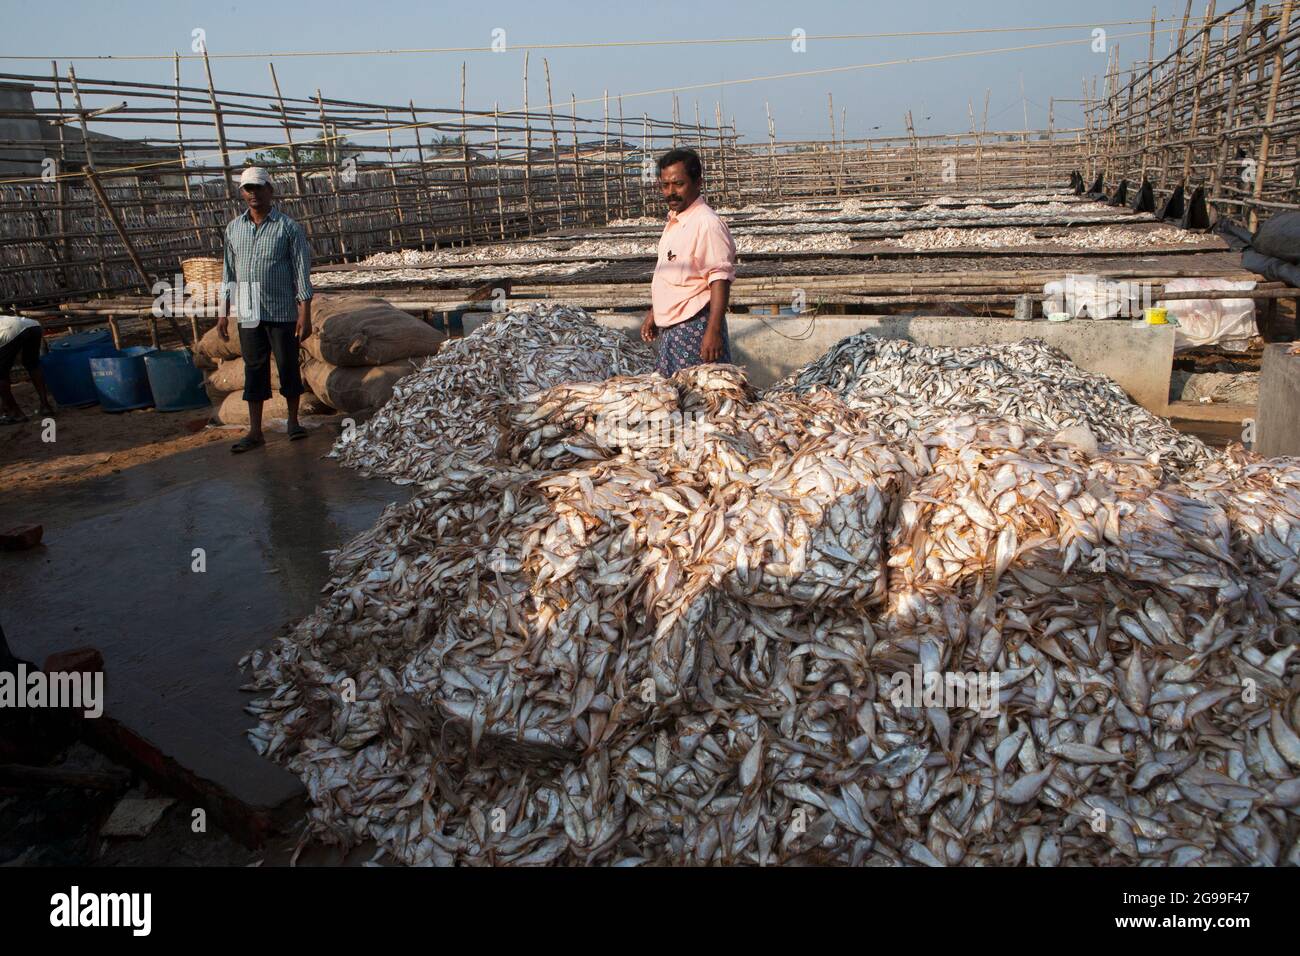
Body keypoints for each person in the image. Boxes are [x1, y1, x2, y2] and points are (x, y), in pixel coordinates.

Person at [217, 166, 313, 453]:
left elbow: (301, 272)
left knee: (287, 366)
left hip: (281, 309)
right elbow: (228, 273)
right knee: (254, 369)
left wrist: (304, 314)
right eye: (248, 188)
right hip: (247, 311)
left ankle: (293, 422)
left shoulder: (288, 227)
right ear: (242, 193)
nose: (253, 194)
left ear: (270, 190)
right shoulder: (234, 228)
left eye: (258, 188)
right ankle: (255, 431)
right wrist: (222, 313)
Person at [640, 147, 737, 376]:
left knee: (701, 400)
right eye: (665, 185)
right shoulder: (675, 221)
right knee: (676, 400)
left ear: (698, 182)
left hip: (695, 329)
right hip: (672, 331)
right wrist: (655, 313)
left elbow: (719, 278)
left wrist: (712, 331)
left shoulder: (706, 223)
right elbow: (674, 276)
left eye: (678, 184)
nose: (670, 192)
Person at [0, 313, 54, 425]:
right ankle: (45, 406)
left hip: (10, 330)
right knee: (32, 364)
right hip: (33, 325)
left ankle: (15, 413)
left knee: (1, 376)